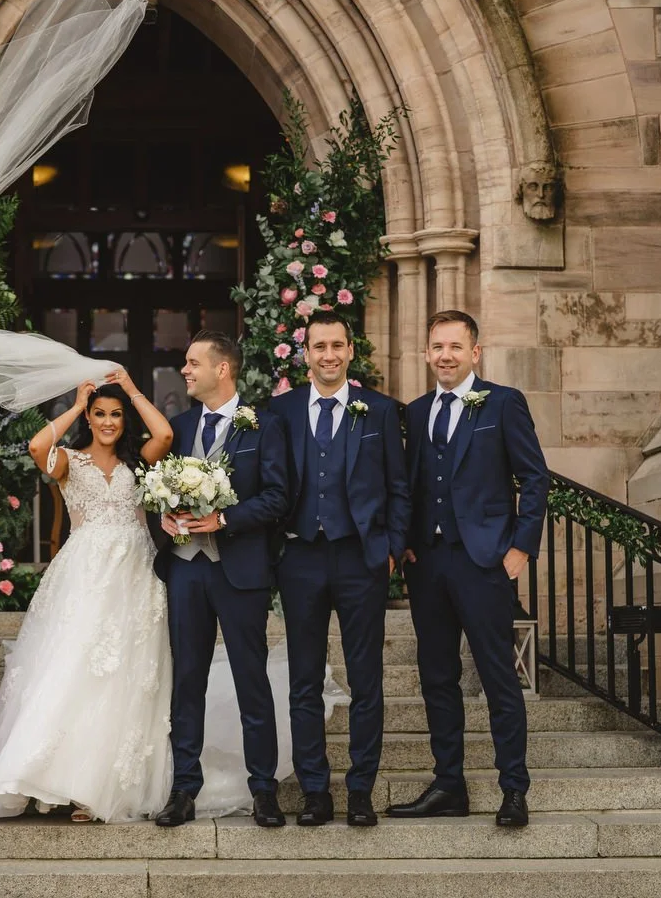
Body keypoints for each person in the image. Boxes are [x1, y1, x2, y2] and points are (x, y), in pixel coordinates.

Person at [0, 370, 175, 823]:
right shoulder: (70, 461)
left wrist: (133, 392)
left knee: (125, 679)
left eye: (116, 415)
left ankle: (96, 787)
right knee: (75, 668)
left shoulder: (140, 460)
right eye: (101, 414)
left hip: (135, 576)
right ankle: (53, 777)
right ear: (90, 418)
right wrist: (76, 404)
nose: (109, 422)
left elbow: (166, 432)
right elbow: (38, 447)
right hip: (86, 576)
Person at [385, 310, 549, 828]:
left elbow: (535, 477)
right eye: (437, 347)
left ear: (475, 352)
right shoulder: (414, 412)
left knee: (499, 676)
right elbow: (407, 485)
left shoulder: (503, 403)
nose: (446, 356)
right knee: (437, 676)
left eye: (455, 346)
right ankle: (448, 784)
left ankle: (513, 788)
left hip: (484, 562)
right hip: (429, 565)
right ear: (427, 353)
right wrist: (408, 543)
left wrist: (522, 547)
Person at [268, 311, 409, 826]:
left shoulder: (379, 411)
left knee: (366, 680)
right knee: (304, 681)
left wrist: (392, 547)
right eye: (319, 346)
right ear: (305, 354)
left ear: (351, 351)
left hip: (360, 557)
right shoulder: (278, 412)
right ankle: (314, 791)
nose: (328, 355)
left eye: (337, 346)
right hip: (299, 557)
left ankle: (361, 790)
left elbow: (399, 486)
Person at [153, 331, 291, 829]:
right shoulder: (179, 425)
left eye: (193, 363)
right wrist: (165, 520)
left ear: (222, 369)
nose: (185, 371)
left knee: (251, 682)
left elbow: (279, 497)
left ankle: (264, 789)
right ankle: (184, 788)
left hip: (240, 572)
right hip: (187, 569)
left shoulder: (265, 426)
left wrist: (225, 520)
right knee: (186, 681)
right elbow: (156, 495)